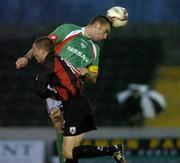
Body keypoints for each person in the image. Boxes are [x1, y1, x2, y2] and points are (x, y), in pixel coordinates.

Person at [16, 15, 126, 163]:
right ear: (97, 26)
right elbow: (42, 45)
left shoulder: (95, 50)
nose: (105, 37)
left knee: (71, 144)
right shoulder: (68, 29)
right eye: (105, 32)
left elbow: (94, 77)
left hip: (74, 93)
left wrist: (87, 73)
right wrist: (27, 58)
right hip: (54, 85)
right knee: (59, 126)